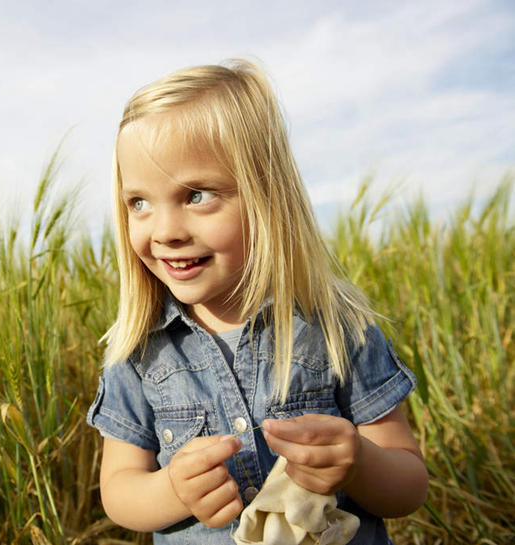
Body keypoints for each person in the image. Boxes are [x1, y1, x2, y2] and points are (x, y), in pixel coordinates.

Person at [86, 59, 428, 544]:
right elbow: (119, 490)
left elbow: (409, 485)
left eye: (197, 195)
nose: (164, 232)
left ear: (268, 196)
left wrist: (358, 462)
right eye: (138, 202)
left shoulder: (336, 328)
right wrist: (171, 490)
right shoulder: (139, 353)